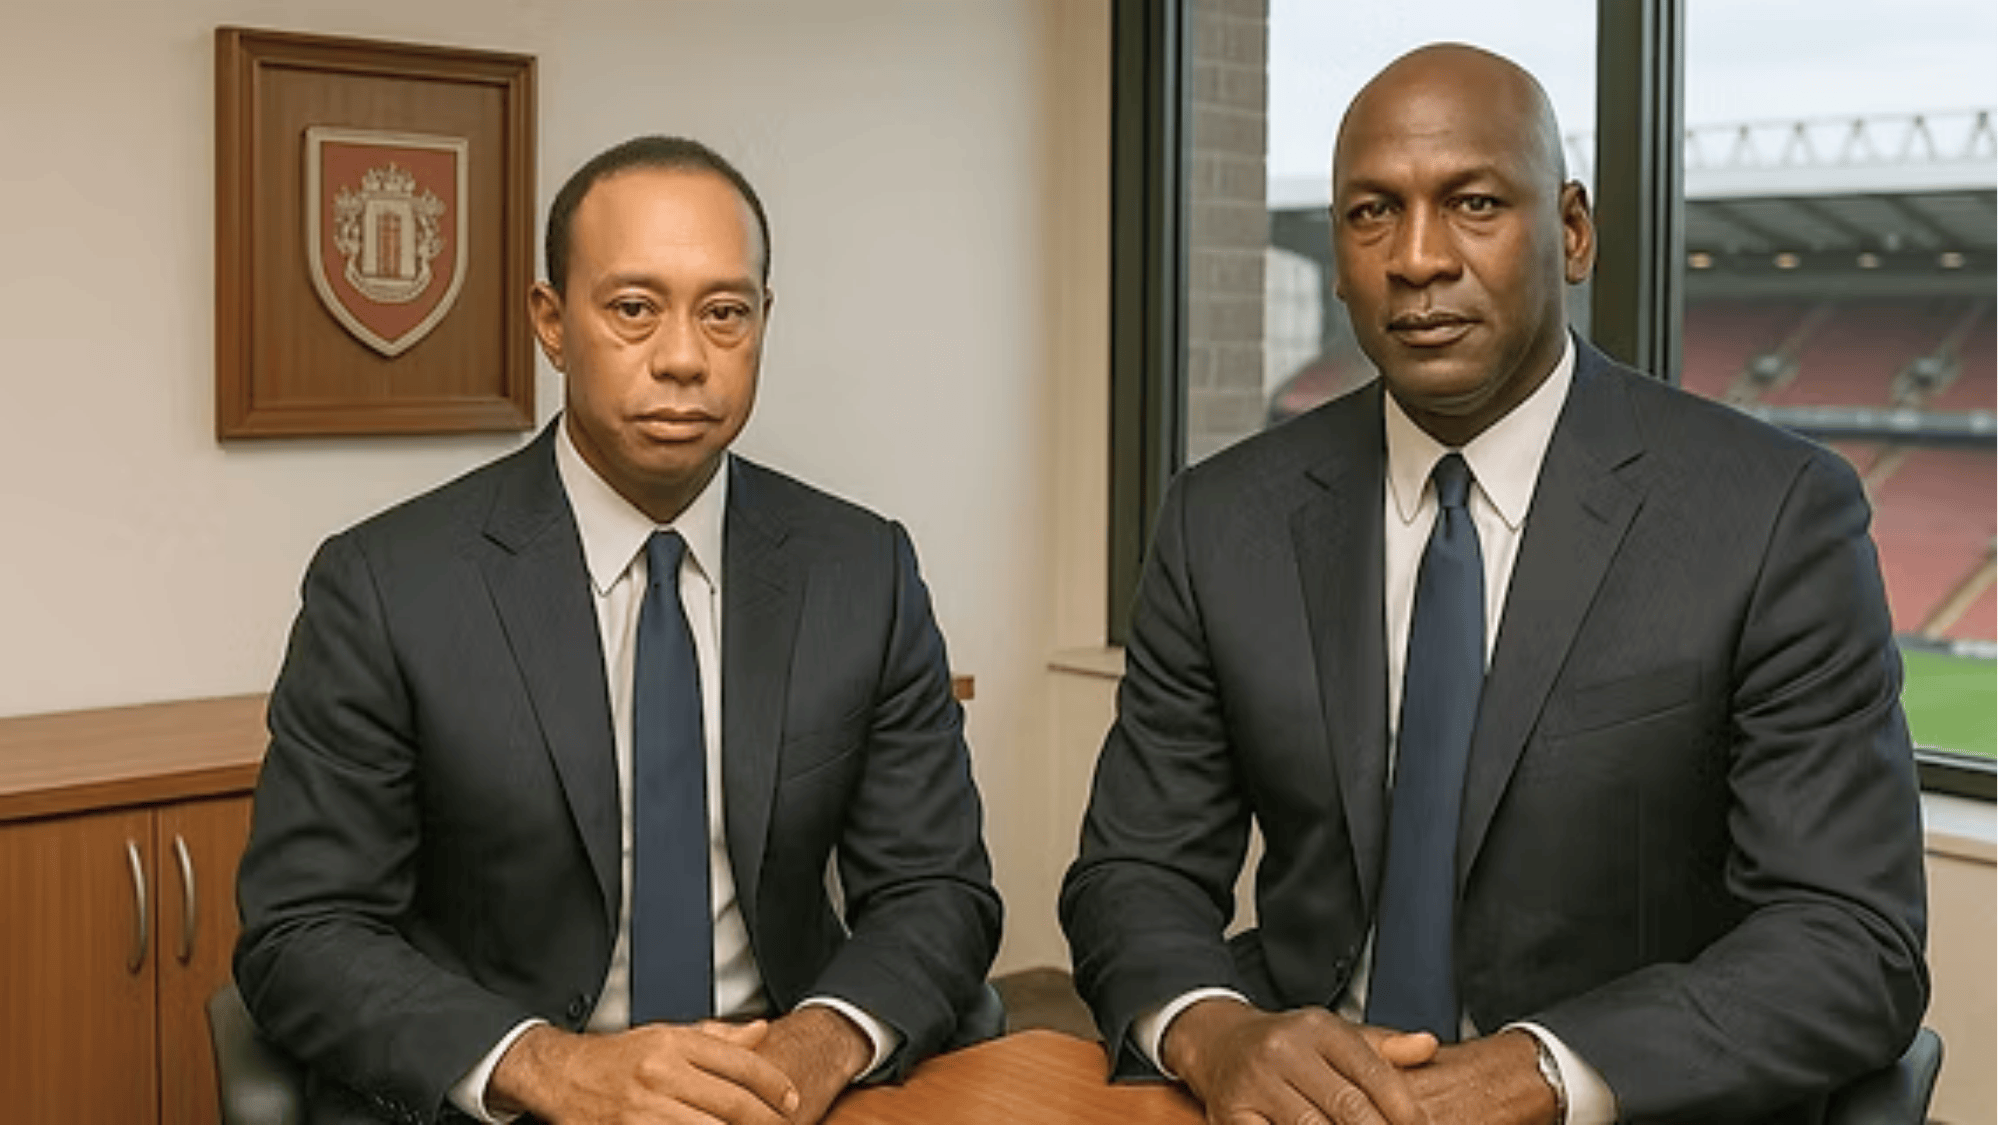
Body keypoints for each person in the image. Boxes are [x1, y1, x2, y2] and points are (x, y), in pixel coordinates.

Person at [1061, 43, 1927, 1125]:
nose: (1415, 259)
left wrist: (1541, 1071)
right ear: (1335, 254)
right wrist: (1211, 1028)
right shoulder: (1220, 520)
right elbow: (1129, 873)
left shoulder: (1769, 514)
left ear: (1570, 230)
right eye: (1370, 213)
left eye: (1471, 202)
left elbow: (1847, 937)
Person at [235, 136, 1003, 1125]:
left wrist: (821, 1041)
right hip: (519, 1100)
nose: (683, 358)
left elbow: (938, 890)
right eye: (633, 309)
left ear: (764, 322)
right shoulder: (389, 587)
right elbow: (301, 932)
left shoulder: (861, 571)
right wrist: (555, 1069)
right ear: (551, 323)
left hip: (779, 1093)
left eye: (723, 313)